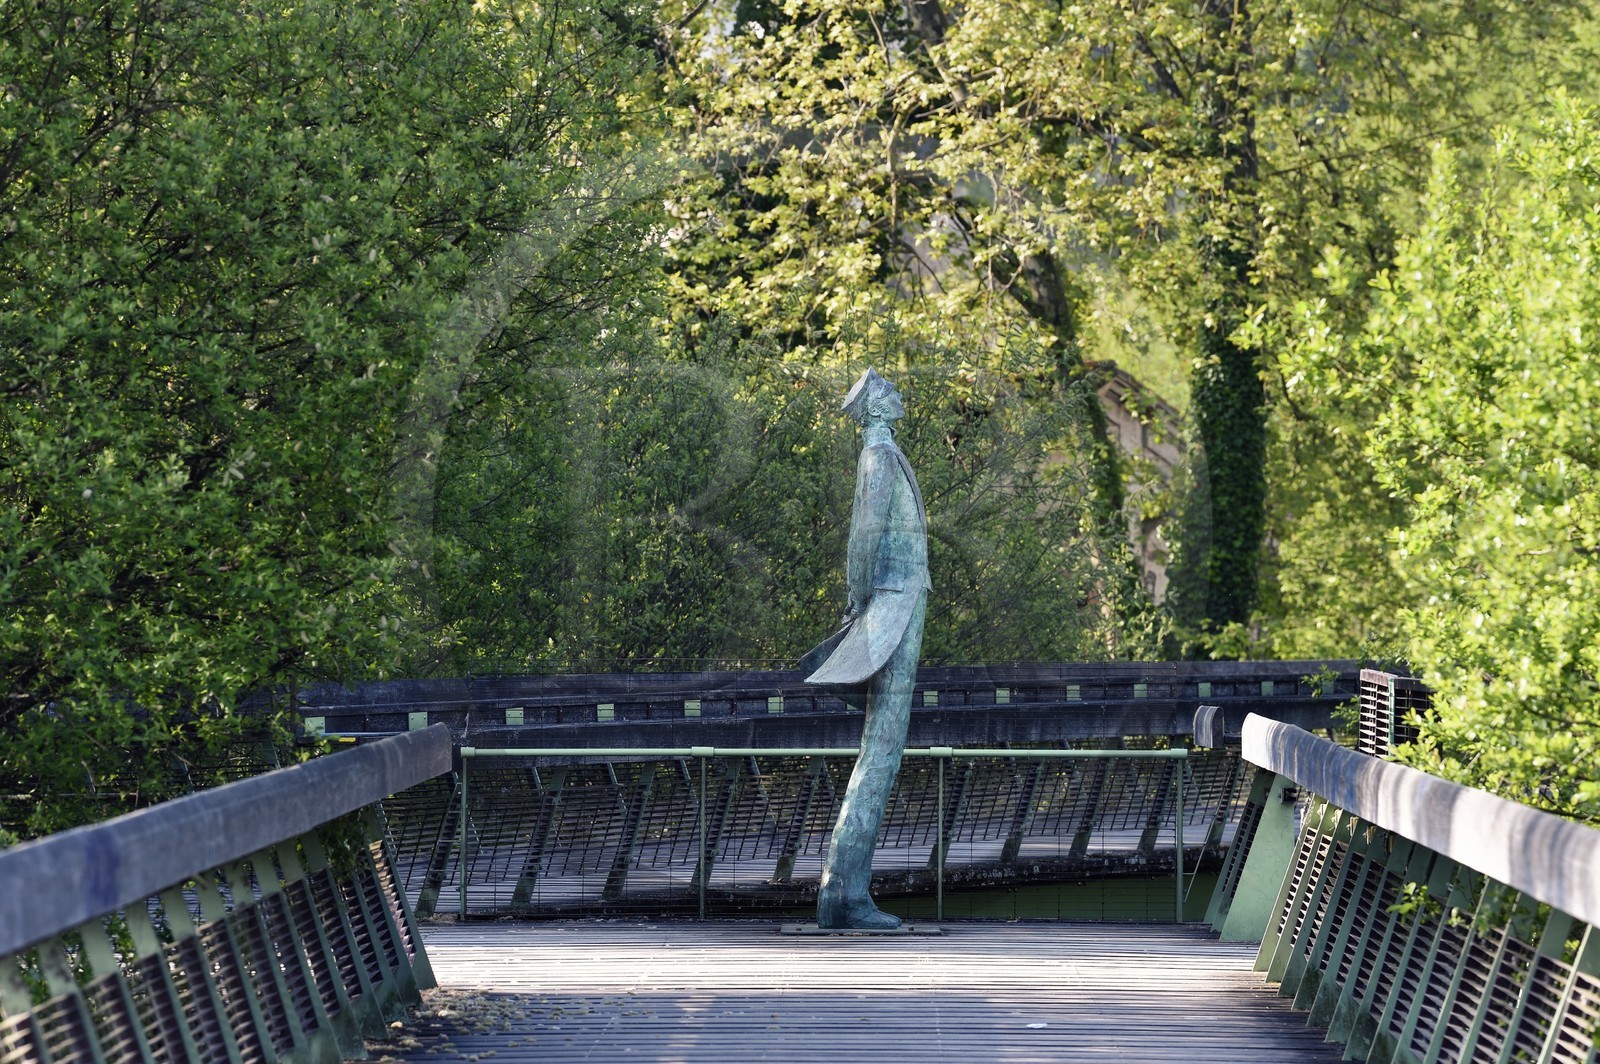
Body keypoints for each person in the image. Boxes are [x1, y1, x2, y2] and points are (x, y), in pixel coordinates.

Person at [800, 368, 929, 930]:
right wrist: (859, 604)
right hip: (890, 606)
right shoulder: (877, 455)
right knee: (881, 749)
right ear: (875, 405)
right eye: (891, 390)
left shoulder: (885, 451)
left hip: (898, 604)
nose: (901, 395)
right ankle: (845, 896)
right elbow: (864, 534)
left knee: (883, 747)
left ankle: (845, 891)